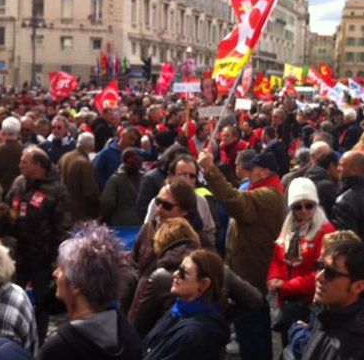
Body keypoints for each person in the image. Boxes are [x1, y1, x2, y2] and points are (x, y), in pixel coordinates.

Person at [198, 150, 285, 360]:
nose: (247, 173)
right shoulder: (267, 191)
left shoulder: (267, 195)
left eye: (252, 169)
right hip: (252, 267)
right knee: (257, 325)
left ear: (264, 172)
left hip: (251, 271)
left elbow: (233, 200)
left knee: (251, 329)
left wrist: (211, 170)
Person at [127, 217, 262, 338]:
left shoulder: (160, 277)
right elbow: (254, 298)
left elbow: (136, 327)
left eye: (183, 273)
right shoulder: (219, 269)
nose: (176, 276)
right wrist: (220, 319)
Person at [286, 239, 364, 359]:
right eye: (320, 266)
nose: (319, 277)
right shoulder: (327, 308)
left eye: (331, 273)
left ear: (358, 286)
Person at [39, 226, 141, 360]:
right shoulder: (128, 335)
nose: (55, 273)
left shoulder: (56, 350)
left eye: (62, 269)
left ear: (76, 286)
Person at [7, 146, 72, 343]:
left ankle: (39, 341)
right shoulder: (18, 183)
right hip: (18, 255)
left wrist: (58, 259)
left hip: (43, 259)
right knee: (13, 297)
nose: (20, 165)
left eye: (24, 162)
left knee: (42, 304)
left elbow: (64, 226)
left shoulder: (57, 190)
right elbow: (8, 206)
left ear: (38, 166)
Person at [267, 177, 335, 345]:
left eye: (309, 205)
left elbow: (323, 273)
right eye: (298, 206)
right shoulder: (288, 228)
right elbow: (277, 258)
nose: (304, 210)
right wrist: (273, 278)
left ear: (315, 204)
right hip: (287, 302)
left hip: (310, 304)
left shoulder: (326, 231)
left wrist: (287, 286)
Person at [141, 249, 230, 359]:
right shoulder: (177, 312)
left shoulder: (195, 335)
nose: (175, 274)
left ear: (204, 284)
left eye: (184, 273)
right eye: (179, 269)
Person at [331, 150, 364, 263]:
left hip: (353, 265)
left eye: (341, 165)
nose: (338, 168)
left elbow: (346, 242)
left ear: (354, 170)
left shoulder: (343, 202)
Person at [57, 132, 101, 222]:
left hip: (64, 208)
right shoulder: (85, 163)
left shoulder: (64, 157)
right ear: (92, 146)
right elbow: (89, 191)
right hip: (79, 212)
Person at [100, 148, 143, 227]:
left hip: (120, 221)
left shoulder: (115, 179)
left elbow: (107, 202)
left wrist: (107, 217)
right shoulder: (145, 178)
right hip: (142, 221)